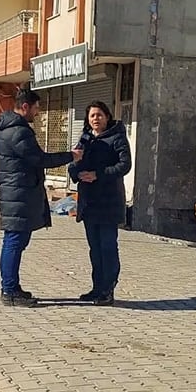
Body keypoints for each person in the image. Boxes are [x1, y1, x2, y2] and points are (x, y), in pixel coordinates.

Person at [0, 89, 83, 307]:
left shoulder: (9, 128)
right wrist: (70, 156)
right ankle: (9, 291)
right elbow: (39, 159)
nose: (38, 112)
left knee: (15, 241)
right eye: (36, 108)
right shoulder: (19, 131)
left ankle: (11, 287)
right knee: (14, 242)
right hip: (19, 194)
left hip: (16, 193)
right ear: (25, 106)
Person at [68, 100, 132, 306]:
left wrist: (98, 174)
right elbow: (73, 163)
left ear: (107, 117)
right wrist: (79, 173)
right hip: (89, 202)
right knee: (94, 248)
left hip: (108, 201)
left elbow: (124, 165)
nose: (96, 119)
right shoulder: (85, 139)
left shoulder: (117, 137)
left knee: (107, 247)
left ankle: (108, 289)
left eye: (99, 115)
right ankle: (97, 288)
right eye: (92, 116)